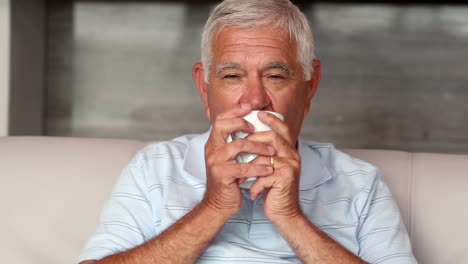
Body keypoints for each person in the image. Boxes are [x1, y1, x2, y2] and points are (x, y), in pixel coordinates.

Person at [78, 0, 417, 263]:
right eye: (231, 76)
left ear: (309, 86)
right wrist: (212, 207)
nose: (255, 100)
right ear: (204, 87)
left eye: (275, 76)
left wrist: (290, 217)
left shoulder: (360, 183)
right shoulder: (154, 167)